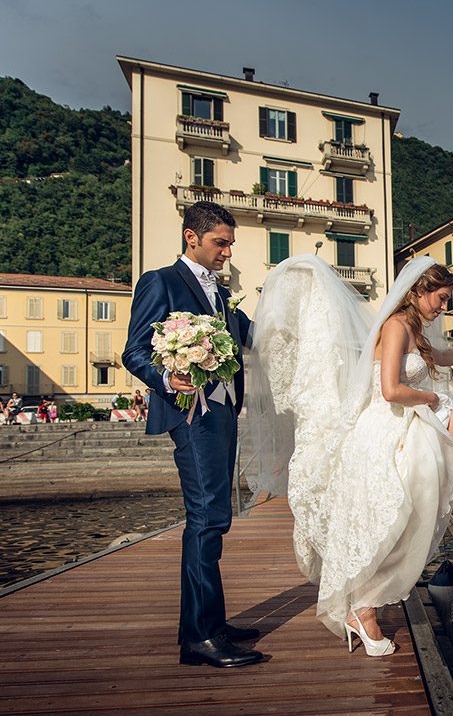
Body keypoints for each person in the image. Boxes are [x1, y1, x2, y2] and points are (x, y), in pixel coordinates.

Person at [244, 255, 453, 658]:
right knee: (396, 523)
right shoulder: (396, 326)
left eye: (448, 300)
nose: (443, 308)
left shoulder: (412, 327)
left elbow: (435, 357)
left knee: (411, 511)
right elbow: (392, 389)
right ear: (417, 292)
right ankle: (364, 608)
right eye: (441, 299)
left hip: (411, 414)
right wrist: (430, 398)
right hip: (394, 419)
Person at [122, 202, 263, 669]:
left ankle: (211, 622)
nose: (228, 252)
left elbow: (255, 337)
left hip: (222, 414)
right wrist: (168, 378)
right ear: (191, 237)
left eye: (230, 244)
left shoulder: (222, 294)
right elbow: (135, 350)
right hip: (191, 415)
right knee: (205, 519)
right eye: (221, 242)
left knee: (216, 518)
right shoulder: (159, 282)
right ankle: (198, 639)